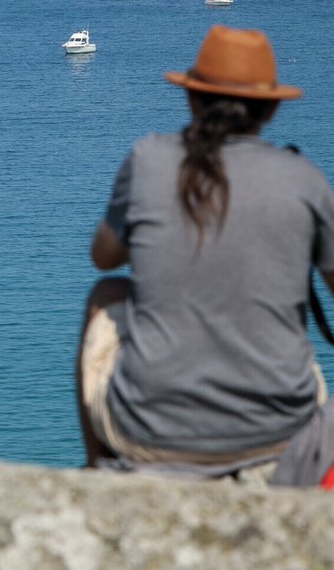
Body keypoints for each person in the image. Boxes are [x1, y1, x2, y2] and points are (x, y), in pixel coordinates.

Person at [78, 25, 334, 473]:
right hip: (281, 433)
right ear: (272, 109)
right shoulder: (304, 179)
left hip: (149, 431)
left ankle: (97, 473)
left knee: (107, 294)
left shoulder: (150, 159)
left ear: (191, 99)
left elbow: (103, 258)